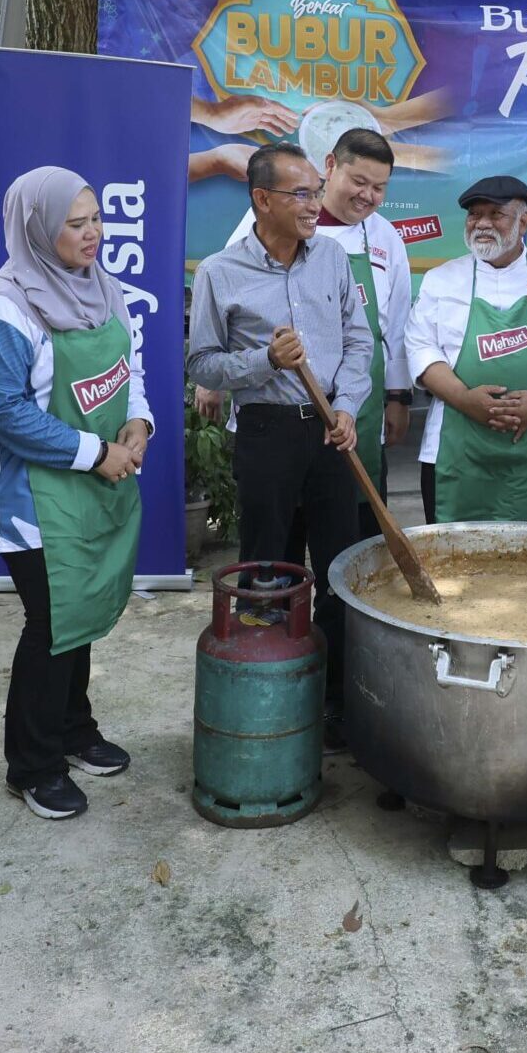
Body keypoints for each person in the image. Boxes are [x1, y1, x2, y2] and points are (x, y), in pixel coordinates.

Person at [0, 167, 151, 820]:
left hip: (98, 482)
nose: (93, 233)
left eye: (96, 218)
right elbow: (0, 411)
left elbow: (129, 369)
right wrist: (96, 452)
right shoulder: (4, 308)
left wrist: (138, 422)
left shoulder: (103, 287)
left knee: (82, 609)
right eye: (74, 224)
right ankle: (33, 764)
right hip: (35, 496)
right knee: (50, 624)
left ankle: (76, 729)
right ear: (36, 229)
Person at [187, 144, 370, 738]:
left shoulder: (333, 260)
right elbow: (204, 367)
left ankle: (339, 701)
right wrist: (264, 359)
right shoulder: (220, 271)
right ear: (262, 200)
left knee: (340, 568)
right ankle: (271, 698)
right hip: (264, 435)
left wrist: (345, 407)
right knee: (267, 572)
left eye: (317, 191)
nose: (315, 204)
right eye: (302, 193)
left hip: (329, 436)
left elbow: (358, 341)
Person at [212, 128, 415, 540]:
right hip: (274, 410)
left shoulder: (385, 238)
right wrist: (213, 384)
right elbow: (228, 305)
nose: (368, 196)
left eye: (379, 188)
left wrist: (397, 396)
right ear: (330, 167)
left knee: (349, 539)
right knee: (275, 541)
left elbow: (392, 326)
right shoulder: (262, 224)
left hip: (355, 407)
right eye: (359, 181)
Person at [406, 175, 527, 526]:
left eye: (496, 214)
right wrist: (466, 400)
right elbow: (420, 348)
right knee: (456, 561)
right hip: (458, 451)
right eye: (474, 215)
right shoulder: (441, 279)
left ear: (523, 221)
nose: (482, 224)